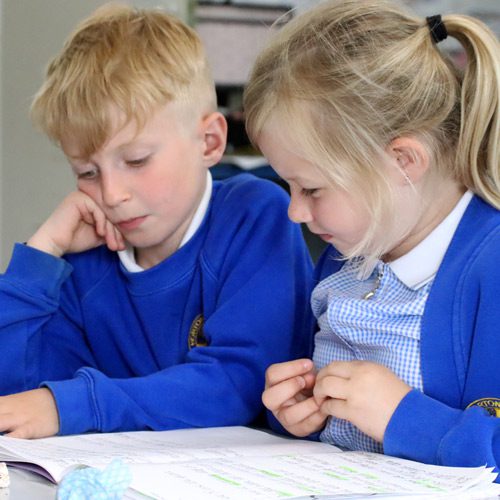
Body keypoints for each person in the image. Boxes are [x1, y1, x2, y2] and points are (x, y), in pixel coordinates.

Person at [0, 4, 313, 438]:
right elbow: (18, 396)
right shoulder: (83, 259)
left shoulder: (254, 217)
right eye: (87, 173)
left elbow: (239, 382)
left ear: (209, 141)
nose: (112, 194)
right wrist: (40, 257)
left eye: (136, 159)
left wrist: (77, 404)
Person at [244, 0, 500, 473]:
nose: (296, 212)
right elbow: (340, 426)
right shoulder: (349, 251)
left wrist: (403, 416)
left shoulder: (490, 267)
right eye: (289, 186)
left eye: (312, 188)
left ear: (403, 162)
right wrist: (301, 414)